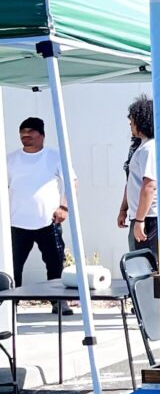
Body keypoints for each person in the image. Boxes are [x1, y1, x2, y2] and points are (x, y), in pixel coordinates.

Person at [7, 117, 74, 314]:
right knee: (13, 267)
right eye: (22, 132)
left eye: (30, 131)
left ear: (41, 135)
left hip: (48, 222)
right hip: (16, 222)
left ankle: (58, 301)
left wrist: (64, 207)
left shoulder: (55, 157)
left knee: (55, 263)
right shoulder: (10, 159)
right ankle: (10, 304)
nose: (25, 135)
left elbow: (71, 183)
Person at [118, 95, 157, 255]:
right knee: (138, 265)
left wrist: (140, 220)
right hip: (139, 216)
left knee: (147, 267)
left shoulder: (150, 148)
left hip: (149, 218)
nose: (130, 123)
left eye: (133, 120)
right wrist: (123, 209)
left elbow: (149, 186)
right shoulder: (141, 147)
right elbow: (131, 182)